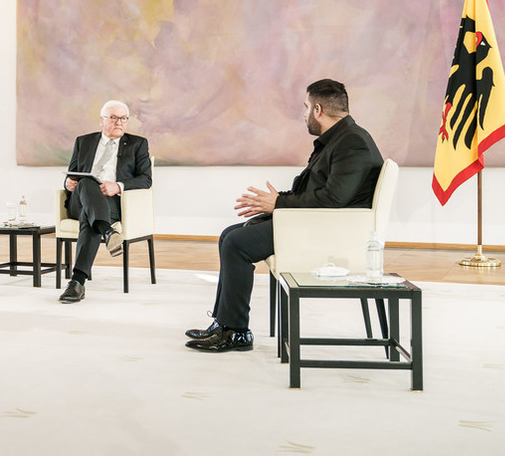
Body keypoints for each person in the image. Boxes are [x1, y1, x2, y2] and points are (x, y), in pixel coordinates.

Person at [185, 79, 382, 352]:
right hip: (315, 222)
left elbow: (333, 200)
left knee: (237, 244)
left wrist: (278, 203)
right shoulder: (341, 138)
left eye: (305, 107)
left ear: (317, 109)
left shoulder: (352, 142)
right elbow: (321, 190)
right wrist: (276, 202)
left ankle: (236, 332)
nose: (303, 114)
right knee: (230, 234)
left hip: (327, 232)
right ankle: (223, 323)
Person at [58, 100, 152, 304]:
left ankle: (77, 282)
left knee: (89, 217)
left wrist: (118, 186)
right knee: (86, 182)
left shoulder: (137, 144)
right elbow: (72, 175)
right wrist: (68, 184)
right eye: (114, 117)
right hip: (79, 201)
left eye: (124, 118)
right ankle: (108, 232)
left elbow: (146, 179)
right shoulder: (83, 142)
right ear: (102, 120)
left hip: (111, 205)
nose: (120, 122)